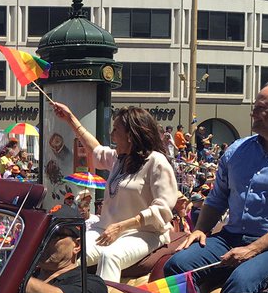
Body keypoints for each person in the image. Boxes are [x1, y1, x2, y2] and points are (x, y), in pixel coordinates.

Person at [163, 82, 268, 293]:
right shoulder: (237, 150)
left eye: (261, 108)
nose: (253, 113)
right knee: (177, 266)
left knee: (241, 282)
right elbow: (216, 199)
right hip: (230, 238)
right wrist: (199, 230)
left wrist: (252, 249)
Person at [51, 103, 179, 283]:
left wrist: (122, 226)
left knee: (109, 256)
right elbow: (94, 148)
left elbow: (163, 209)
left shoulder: (157, 161)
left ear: (130, 135)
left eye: (115, 129)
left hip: (146, 232)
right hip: (106, 229)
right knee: (69, 250)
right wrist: (70, 118)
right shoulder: (119, 158)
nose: (111, 135)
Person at [24, 224, 108, 293]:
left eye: (54, 235)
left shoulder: (91, 284)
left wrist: (15, 278)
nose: (43, 242)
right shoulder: (29, 273)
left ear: (77, 245)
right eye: (39, 235)